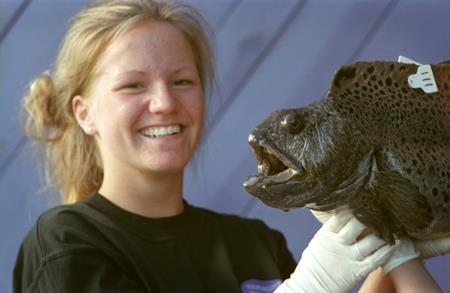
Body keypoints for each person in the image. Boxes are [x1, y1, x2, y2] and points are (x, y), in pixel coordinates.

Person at [12, 0, 448, 292]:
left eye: (182, 81)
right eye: (133, 85)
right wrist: (307, 286)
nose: (164, 103)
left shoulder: (255, 243)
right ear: (84, 112)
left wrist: (388, 250)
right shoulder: (66, 244)